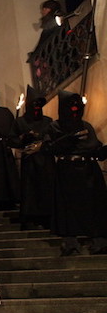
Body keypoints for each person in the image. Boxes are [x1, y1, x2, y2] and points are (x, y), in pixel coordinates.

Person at [47, 91, 107, 256]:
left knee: (95, 204)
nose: (74, 109)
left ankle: (98, 240)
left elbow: (94, 147)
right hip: (67, 171)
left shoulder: (86, 126)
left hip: (89, 170)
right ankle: (70, 241)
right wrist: (69, 139)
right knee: (68, 207)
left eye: (77, 105)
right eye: (71, 105)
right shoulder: (55, 126)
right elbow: (51, 148)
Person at [14, 85, 55, 229]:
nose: (37, 107)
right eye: (34, 104)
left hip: (45, 159)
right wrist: (24, 137)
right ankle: (31, 216)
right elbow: (12, 140)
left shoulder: (48, 121)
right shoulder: (20, 122)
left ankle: (47, 216)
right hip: (30, 160)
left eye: (39, 104)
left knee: (46, 187)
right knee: (30, 189)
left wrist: (43, 143)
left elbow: (53, 138)